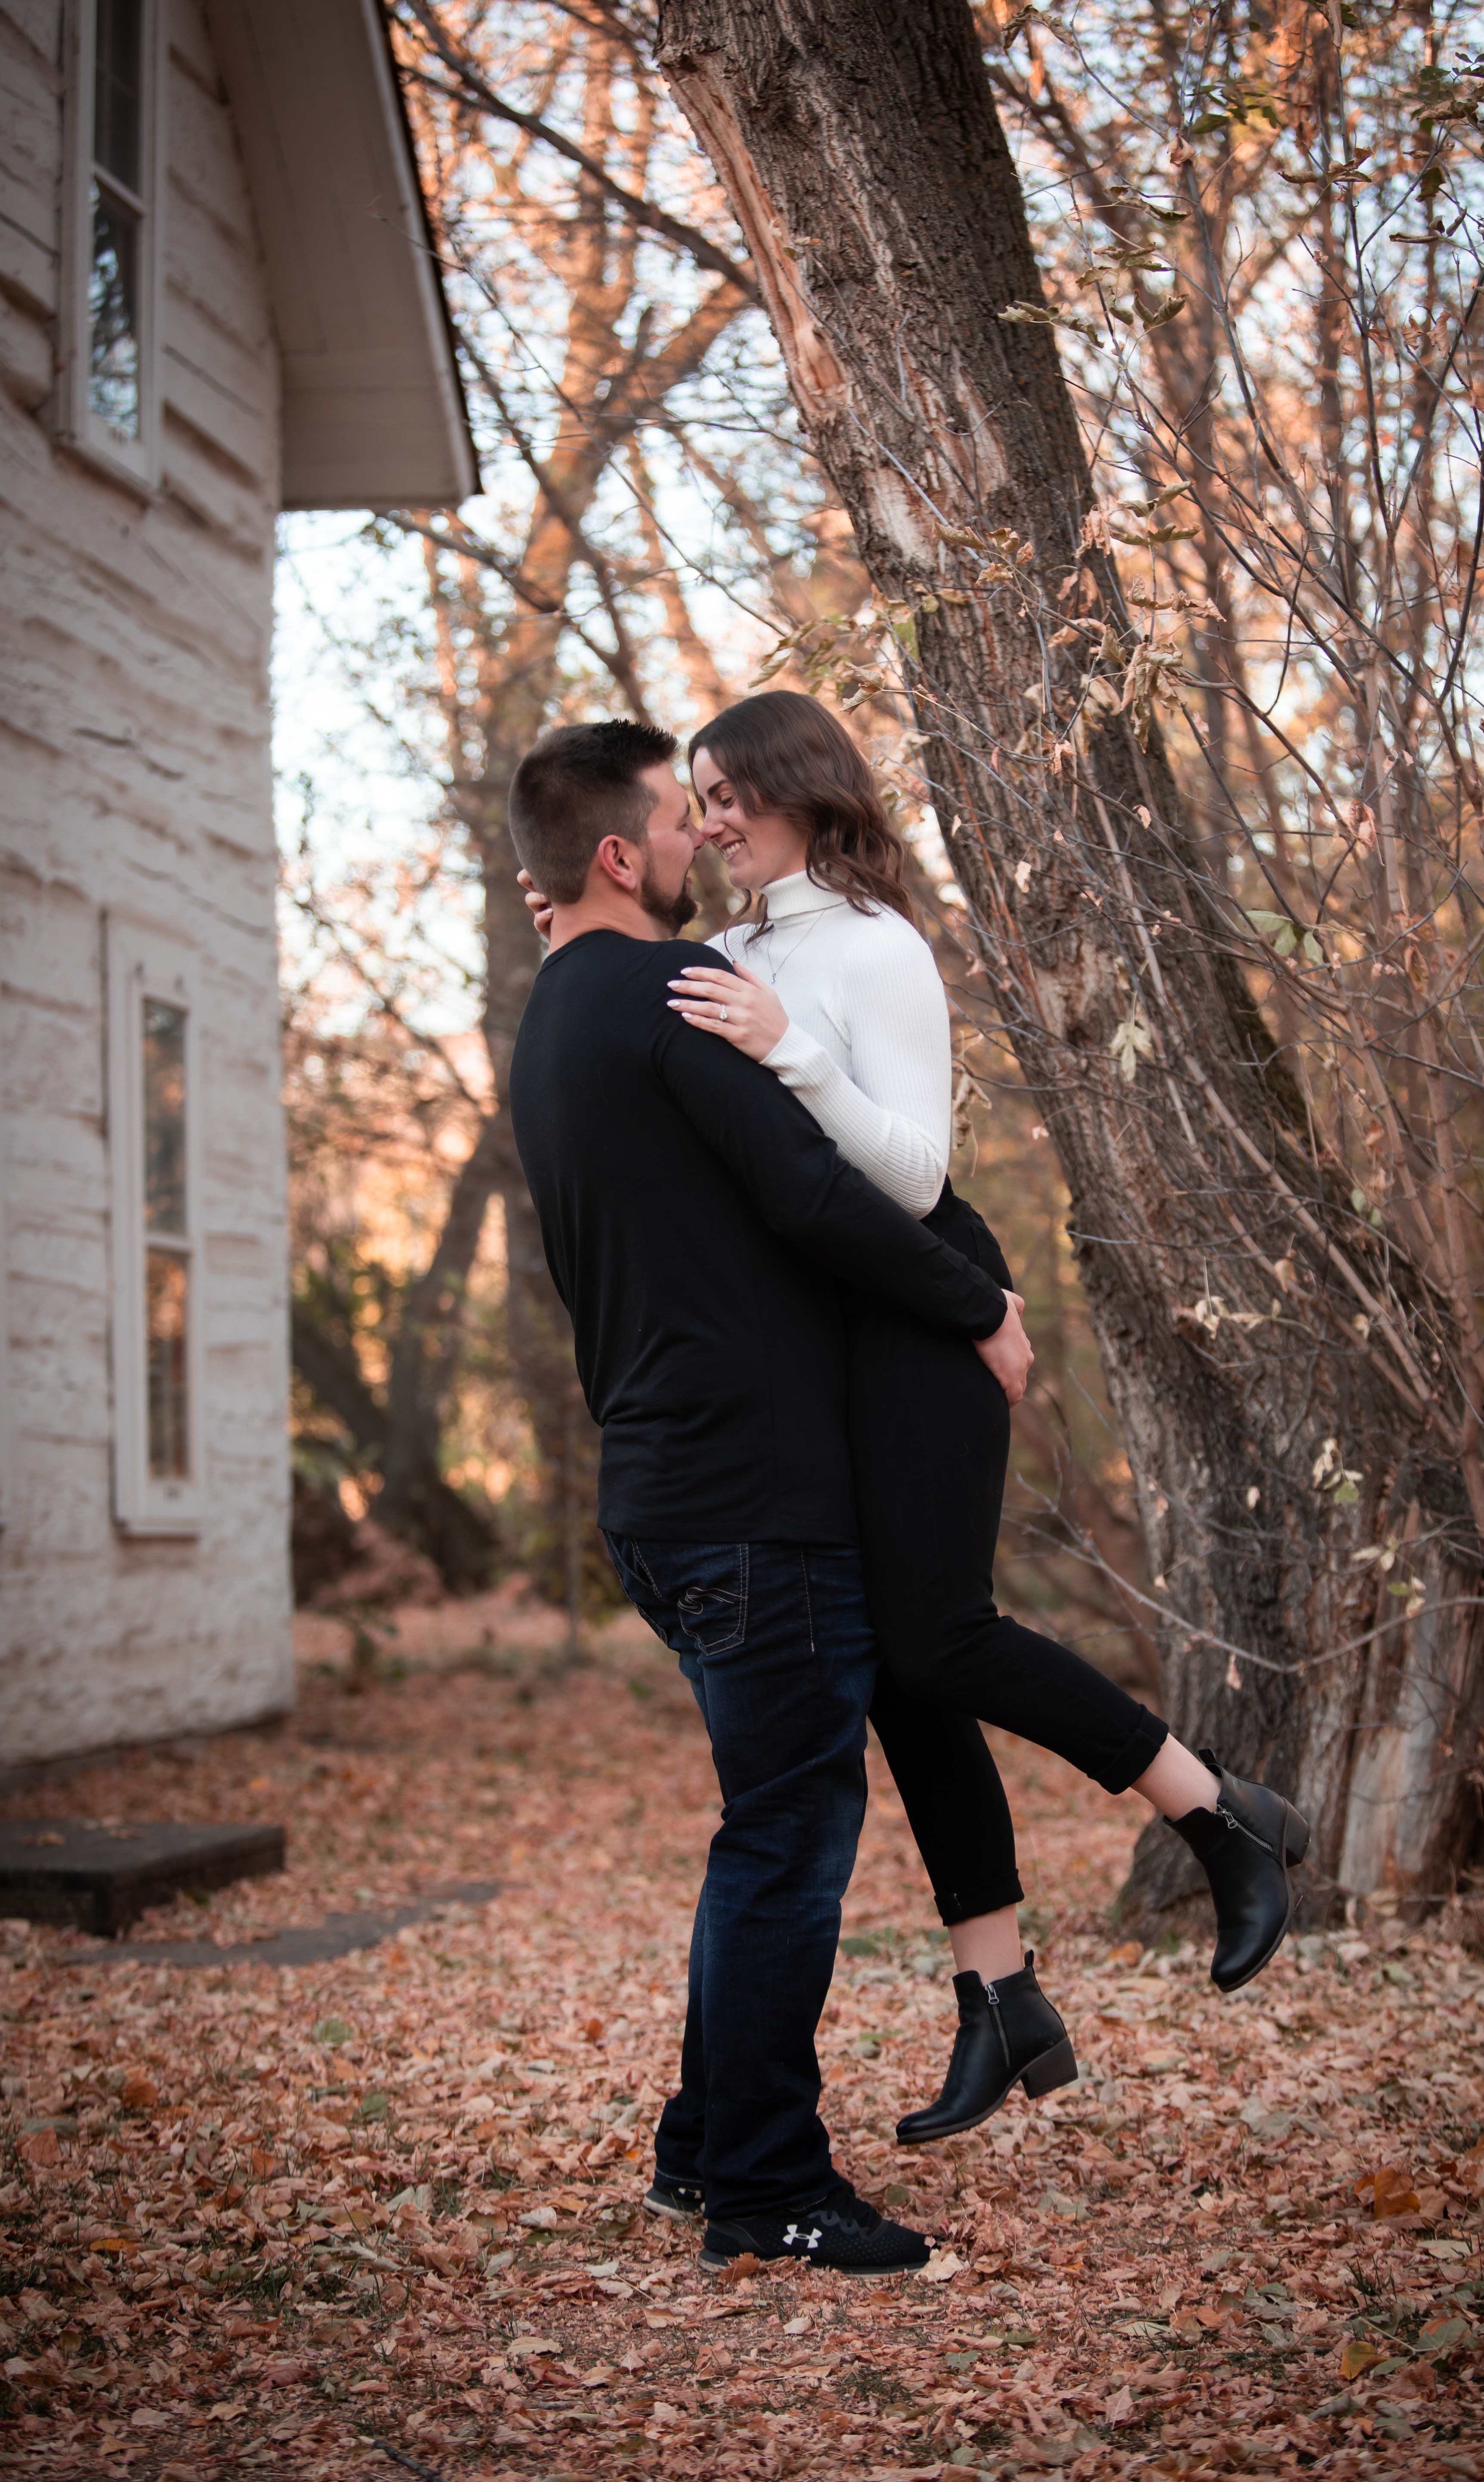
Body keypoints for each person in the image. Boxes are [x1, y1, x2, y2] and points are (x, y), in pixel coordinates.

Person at [522, 691, 1309, 2152]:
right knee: (891, 1660)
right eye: (690, 798)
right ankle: (1000, 1998)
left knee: (935, 1635)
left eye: (730, 791)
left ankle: (1217, 1812)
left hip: (929, 1299)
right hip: (838, 1332)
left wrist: (796, 1056)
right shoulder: (719, 951)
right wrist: (564, 905)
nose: (709, 817)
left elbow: (907, 1170)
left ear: (803, 792)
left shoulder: (880, 951)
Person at [506, 717, 1035, 2279]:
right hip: (750, 1498)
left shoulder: (557, 1014)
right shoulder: (665, 997)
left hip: (662, 1496)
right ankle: (764, 2181)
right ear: (618, 858)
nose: (698, 841)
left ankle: (698, 2146)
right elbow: (817, 1190)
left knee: (772, 1822)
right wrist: (975, 1308)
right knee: (789, 1837)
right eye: (678, 819)